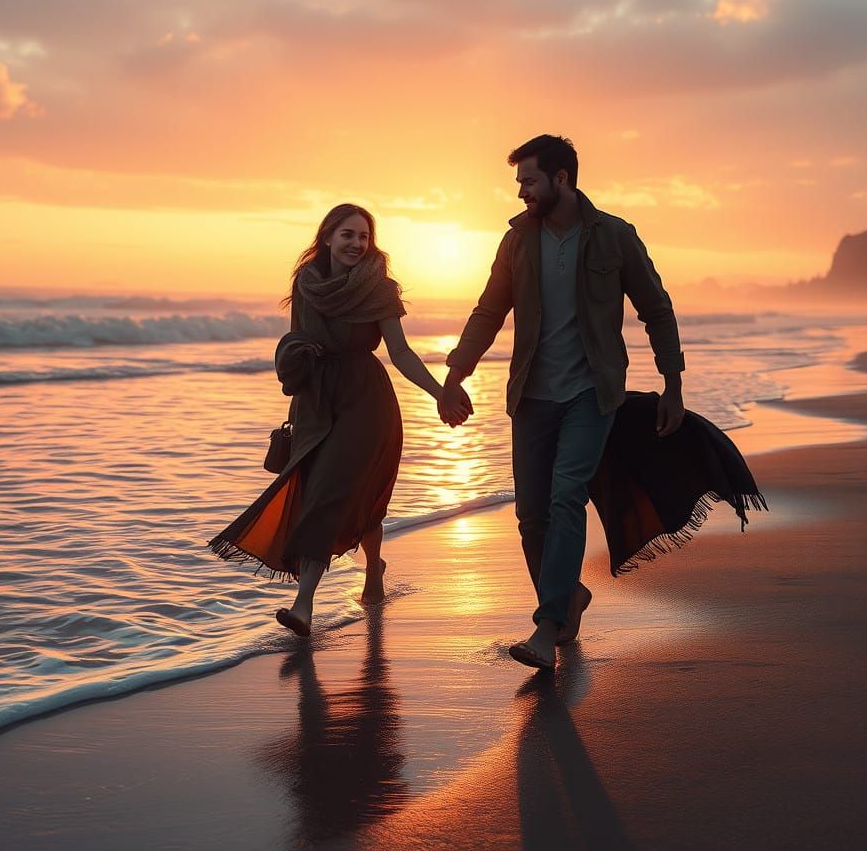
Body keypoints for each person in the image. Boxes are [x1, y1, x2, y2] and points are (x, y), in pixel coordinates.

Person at [438, 134, 685, 670]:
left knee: (566, 496)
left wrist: (674, 384)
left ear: (561, 178)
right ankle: (568, 597)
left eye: (528, 181)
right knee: (531, 514)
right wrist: (454, 376)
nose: (521, 191)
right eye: (519, 182)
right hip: (532, 395)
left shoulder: (614, 236)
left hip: (590, 393)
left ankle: (546, 628)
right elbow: (489, 311)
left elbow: (656, 308)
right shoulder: (517, 242)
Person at [208, 204, 469, 637]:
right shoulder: (306, 283)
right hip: (315, 403)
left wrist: (440, 391)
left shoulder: (379, 289)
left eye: (364, 236)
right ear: (327, 237)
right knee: (345, 499)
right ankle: (374, 567)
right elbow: (296, 341)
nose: (357, 244)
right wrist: (294, 407)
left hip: (366, 403)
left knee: (329, 497)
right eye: (348, 235)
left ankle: (303, 606)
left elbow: (400, 352)